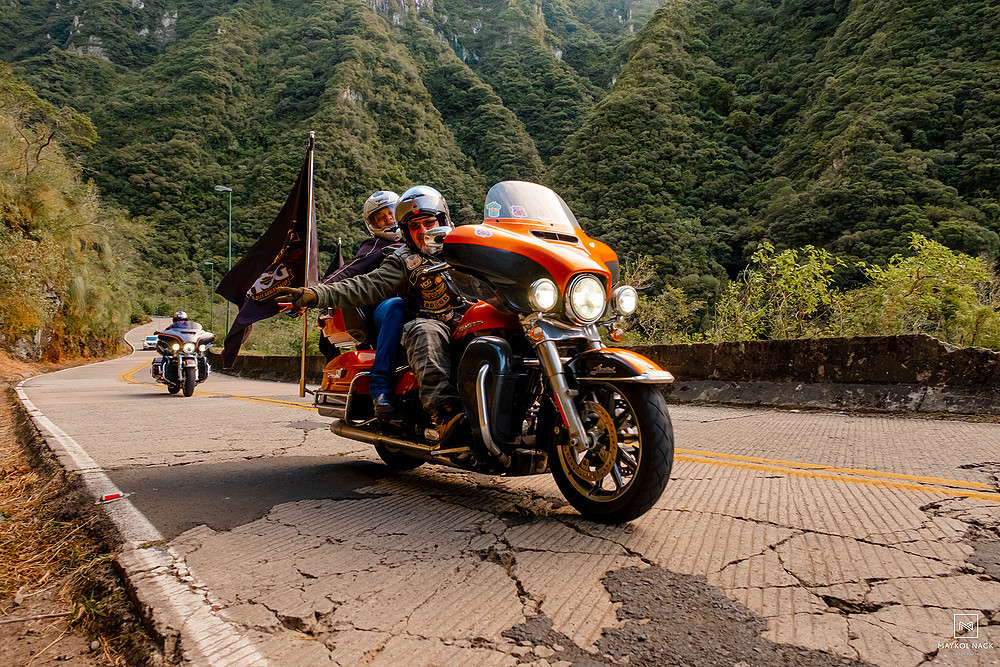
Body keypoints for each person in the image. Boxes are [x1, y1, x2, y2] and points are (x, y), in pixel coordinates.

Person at [274, 185, 470, 444]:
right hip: (422, 318)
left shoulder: (467, 246)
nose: (423, 231)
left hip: (471, 318)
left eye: (428, 222)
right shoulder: (397, 256)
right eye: (414, 226)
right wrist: (313, 294)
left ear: (443, 219)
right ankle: (442, 412)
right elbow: (359, 282)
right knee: (414, 322)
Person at [316, 191, 408, 421]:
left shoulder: (421, 239)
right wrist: (315, 293)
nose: (389, 219)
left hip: (423, 304)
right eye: (382, 217)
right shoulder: (375, 247)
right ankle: (380, 386)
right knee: (396, 306)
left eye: (392, 213)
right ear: (372, 224)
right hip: (382, 309)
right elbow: (349, 271)